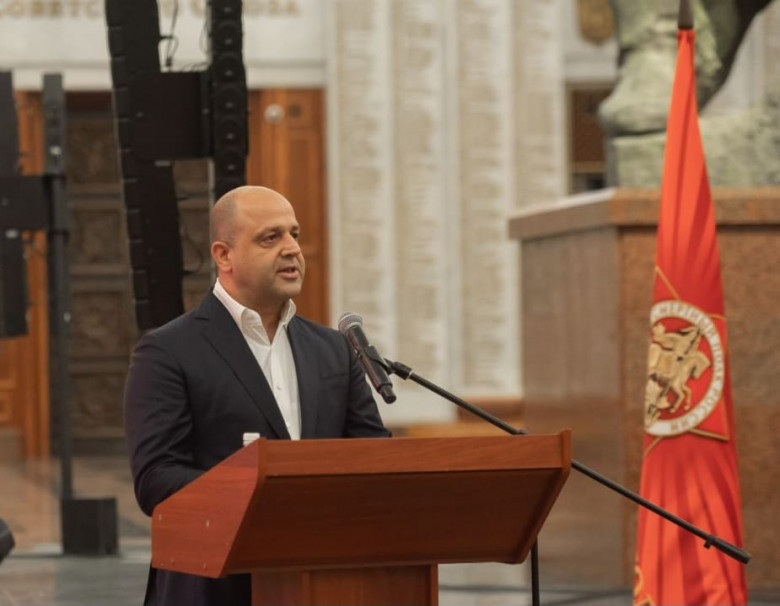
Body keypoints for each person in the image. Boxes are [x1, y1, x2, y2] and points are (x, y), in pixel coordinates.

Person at [124, 185, 391, 606]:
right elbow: (156, 480)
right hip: (215, 586)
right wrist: (264, 496)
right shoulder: (168, 351)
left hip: (324, 581)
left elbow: (373, 455)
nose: (292, 249)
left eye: (294, 234)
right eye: (270, 238)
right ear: (223, 255)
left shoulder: (333, 349)